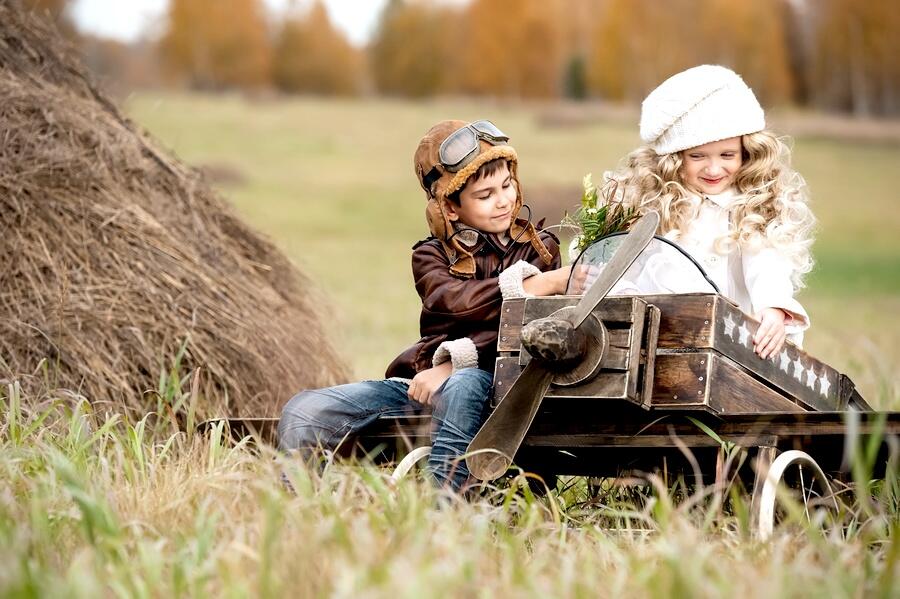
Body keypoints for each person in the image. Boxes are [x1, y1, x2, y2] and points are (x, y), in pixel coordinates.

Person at [278, 119, 570, 492]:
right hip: (423, 383)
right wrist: (535, 285)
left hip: (500, 389)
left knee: (464, 383)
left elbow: (531, 331)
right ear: (450, 208)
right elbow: (453, 303)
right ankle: (296, 511)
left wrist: (455, 365)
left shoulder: (539, 249)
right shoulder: (429, 256)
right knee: (305, 410)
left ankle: (442, 517)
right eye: (485, 195)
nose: (503, 200)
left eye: (507, 185)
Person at [576, 65, 815, 359]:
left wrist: (773, 306)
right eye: (697, 156)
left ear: (746, 152)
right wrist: (615, 288)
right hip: (651, 343)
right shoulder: (652, 202)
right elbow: (620, 261)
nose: (714, 169)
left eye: (727, 155)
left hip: (725, 349)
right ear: (674, 159)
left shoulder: (751, 205)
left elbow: (766, 261)